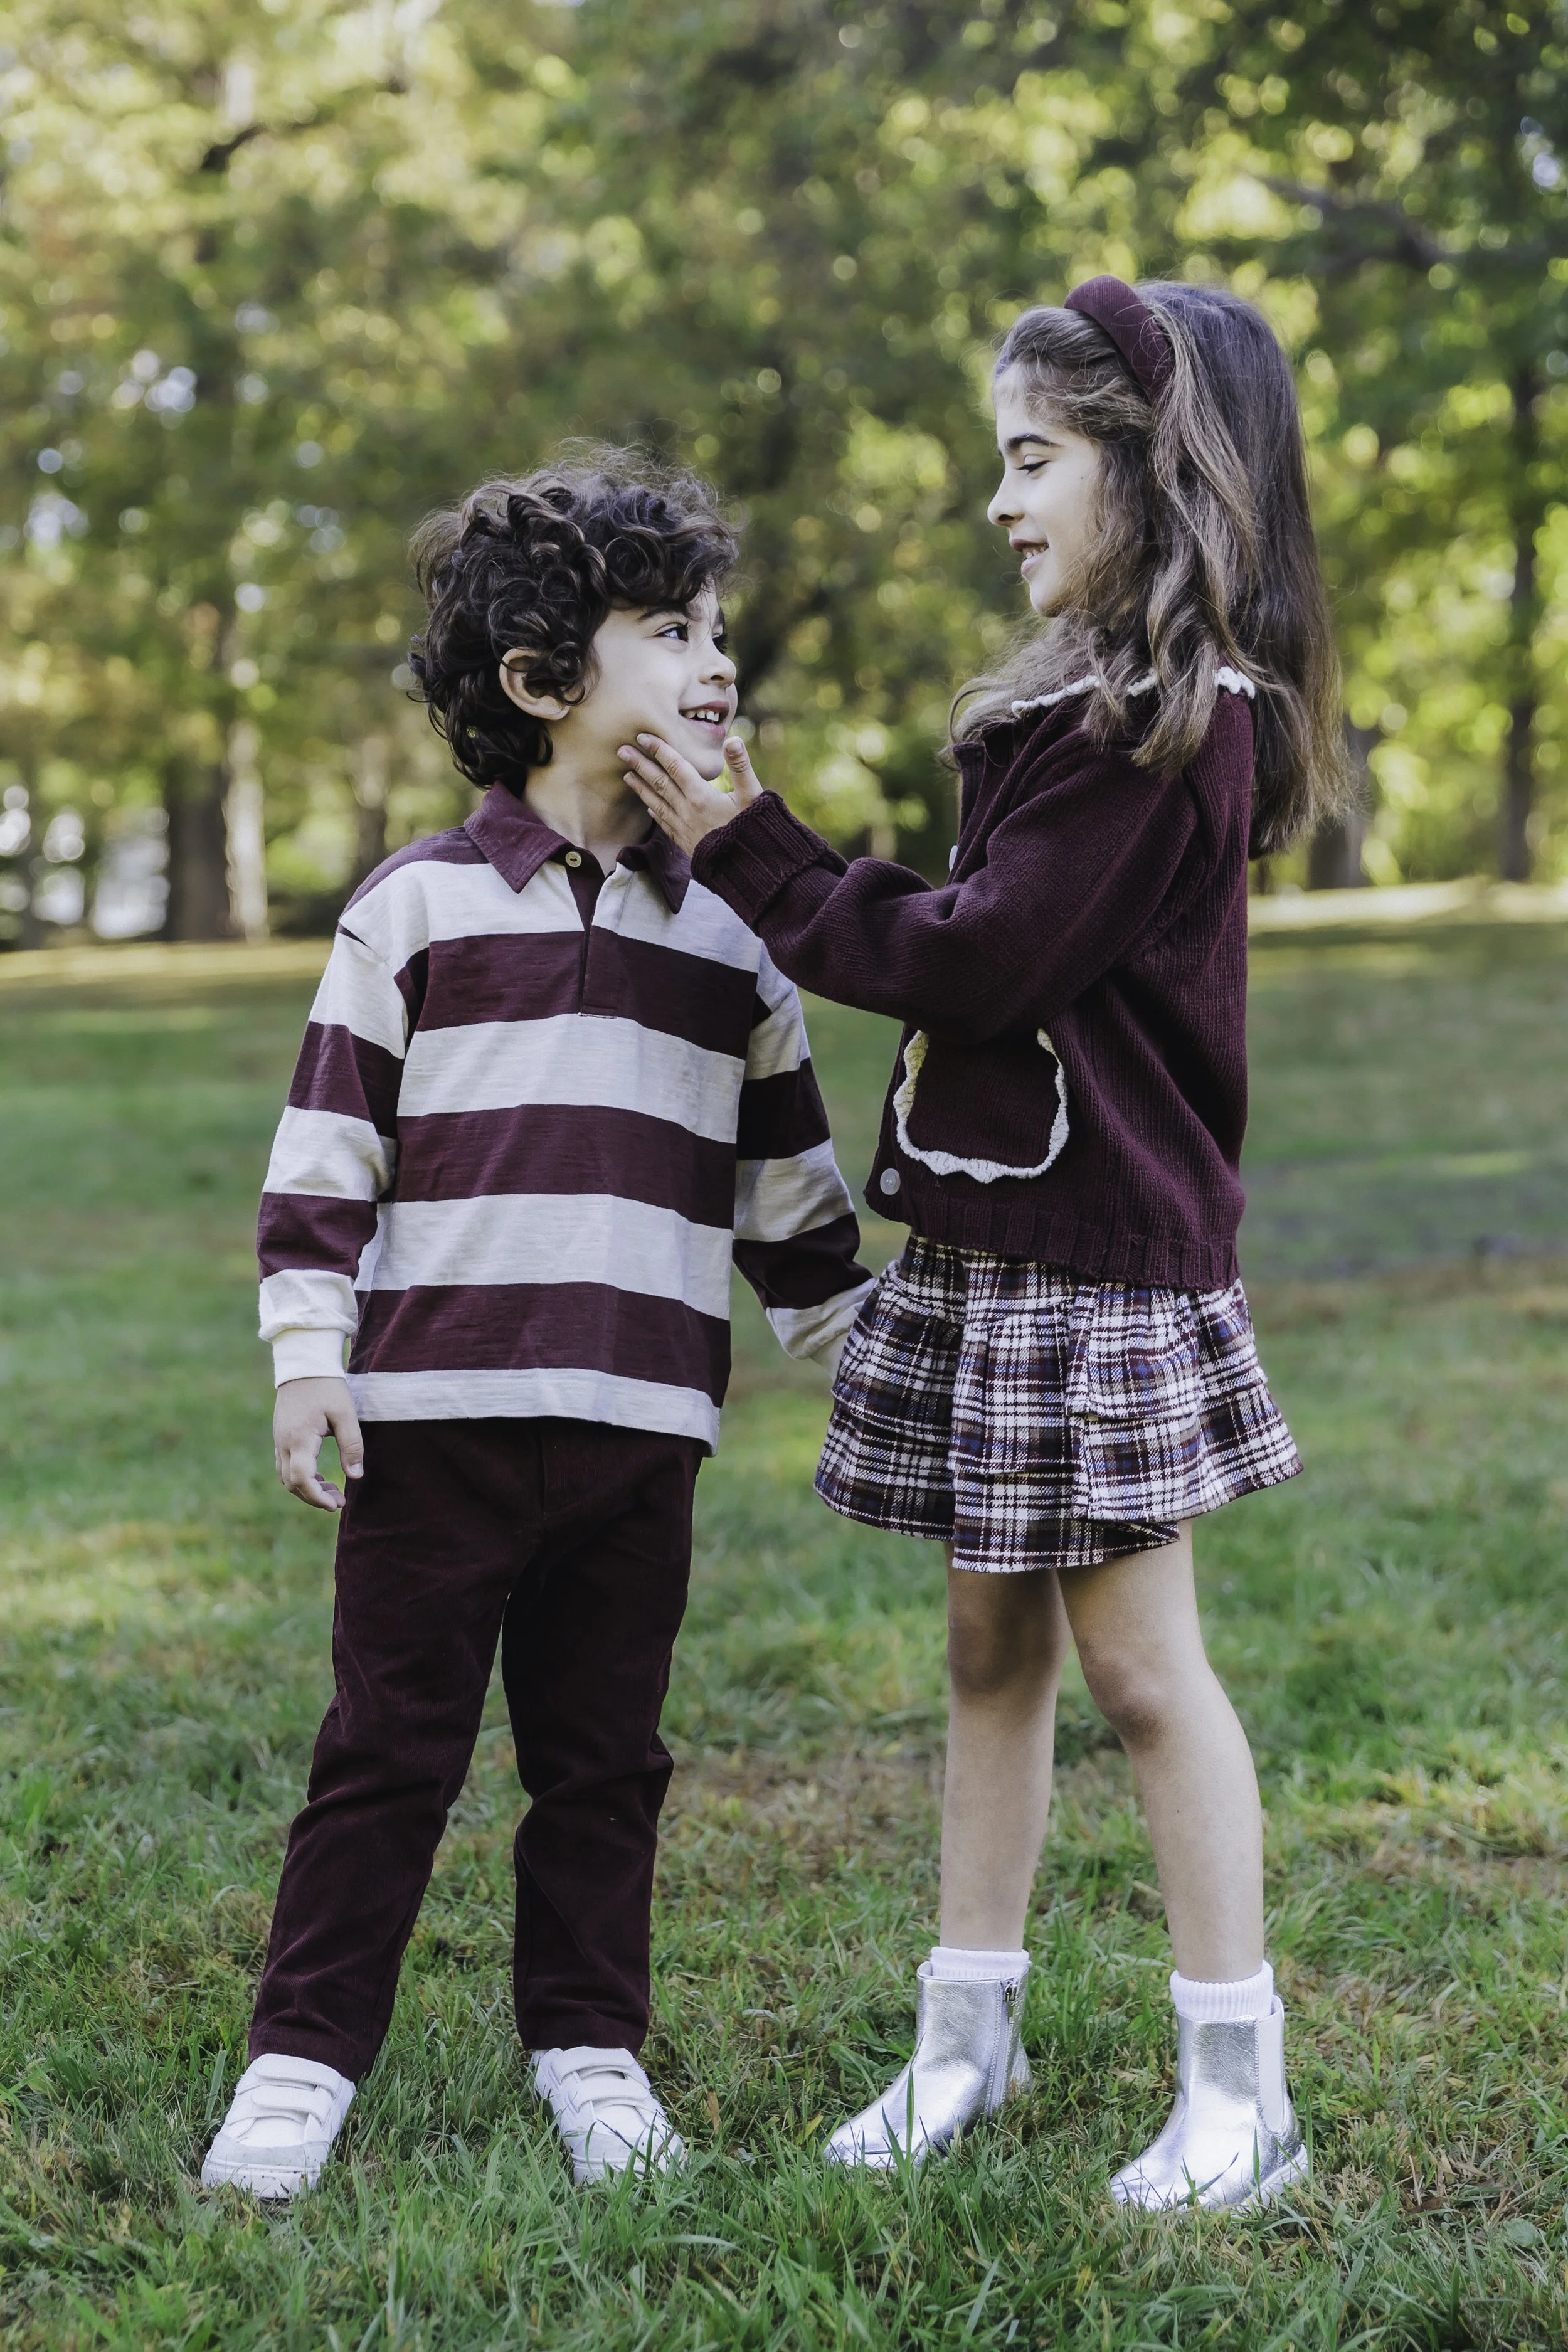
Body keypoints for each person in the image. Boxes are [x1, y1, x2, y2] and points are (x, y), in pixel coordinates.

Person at [620, 280, 1347, 2210]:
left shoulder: (1172, 730)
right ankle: (967, 2036)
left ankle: (1237, 2083)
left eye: (1031, 460)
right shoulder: (1062, 705)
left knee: (1139, 1670)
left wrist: (751, 840)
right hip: (998, 1238)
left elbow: (972, 955)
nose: (1000, 503)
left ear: (1150, 470)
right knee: (984, 1641)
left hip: (1101, 1261)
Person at [201, 455, 872, 2200]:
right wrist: (308, 1357)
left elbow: (789, 1208)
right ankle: (302, 2053)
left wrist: (886, 1372)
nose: (713, 662)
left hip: (639, 1433)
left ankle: (588, 2039)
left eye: (716, 627)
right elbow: (321, 1163)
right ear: (538, 682)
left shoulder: (740, 935)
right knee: (387, 1752)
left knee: (603, 1762)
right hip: (435, 1430)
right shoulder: (413, 910)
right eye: (668, 630)